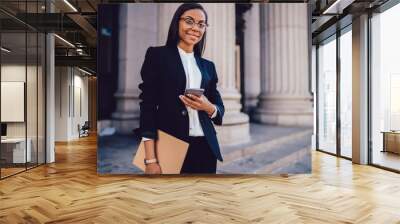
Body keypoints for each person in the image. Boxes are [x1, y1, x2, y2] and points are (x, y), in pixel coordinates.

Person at [138, 3, 225, 174]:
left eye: (201, 24)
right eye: (189, 21)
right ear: (177, 22)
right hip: (170, 143)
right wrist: (150, 159)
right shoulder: (158, 56)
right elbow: (147, 106)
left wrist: (207, 107)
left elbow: (219, 108)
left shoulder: (208, 66)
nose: (195, 28)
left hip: (206, 146)